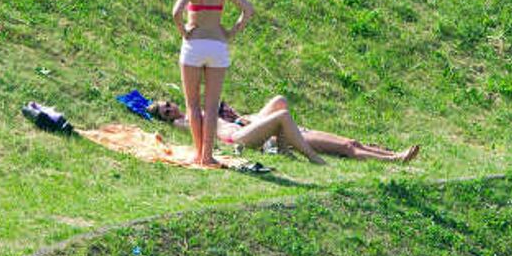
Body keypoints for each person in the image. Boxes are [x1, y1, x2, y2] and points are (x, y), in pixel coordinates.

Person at [148, 95, 420, 165]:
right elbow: (200, 131)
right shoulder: (183, 121)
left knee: (351, 141)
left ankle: (391, 153)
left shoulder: (196, 109)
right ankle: (395, 159)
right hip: (238, 137)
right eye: (165, 112)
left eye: (168, 105)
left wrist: (242, 116)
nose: (171, 109)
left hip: (247, 127)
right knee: (346, 148)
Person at [172, 0, 254, 167]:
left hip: (194, 45)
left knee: (193, 104)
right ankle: (208, 156)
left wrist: (184, 31)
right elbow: (248, 10)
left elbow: (176, 13)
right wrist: (231, 32)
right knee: (211, 106)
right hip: (217, 46)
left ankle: (198, 154)